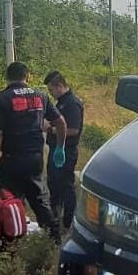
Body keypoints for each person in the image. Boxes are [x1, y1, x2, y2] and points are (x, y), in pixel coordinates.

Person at [0, 61, 67, 240]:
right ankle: (54, 241)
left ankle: (11, 243)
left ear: (7, 78)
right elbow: (61, 122)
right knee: (40, 200)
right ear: (28, 76)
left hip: (11, 160)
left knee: (8, 201)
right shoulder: (41, 96)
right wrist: (59, 148)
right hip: (34, 160)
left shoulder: (2, 99)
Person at [43, 70, 84, 230]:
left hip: (66, 151)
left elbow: (73, 130)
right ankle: (55, 216)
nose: (51, 93)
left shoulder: (72, 103)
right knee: (55, 184)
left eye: (51, 90)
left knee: (66, 185)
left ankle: (68, 220)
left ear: (59, 86)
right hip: (57, 149)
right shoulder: (61, 102)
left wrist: (51, 129)